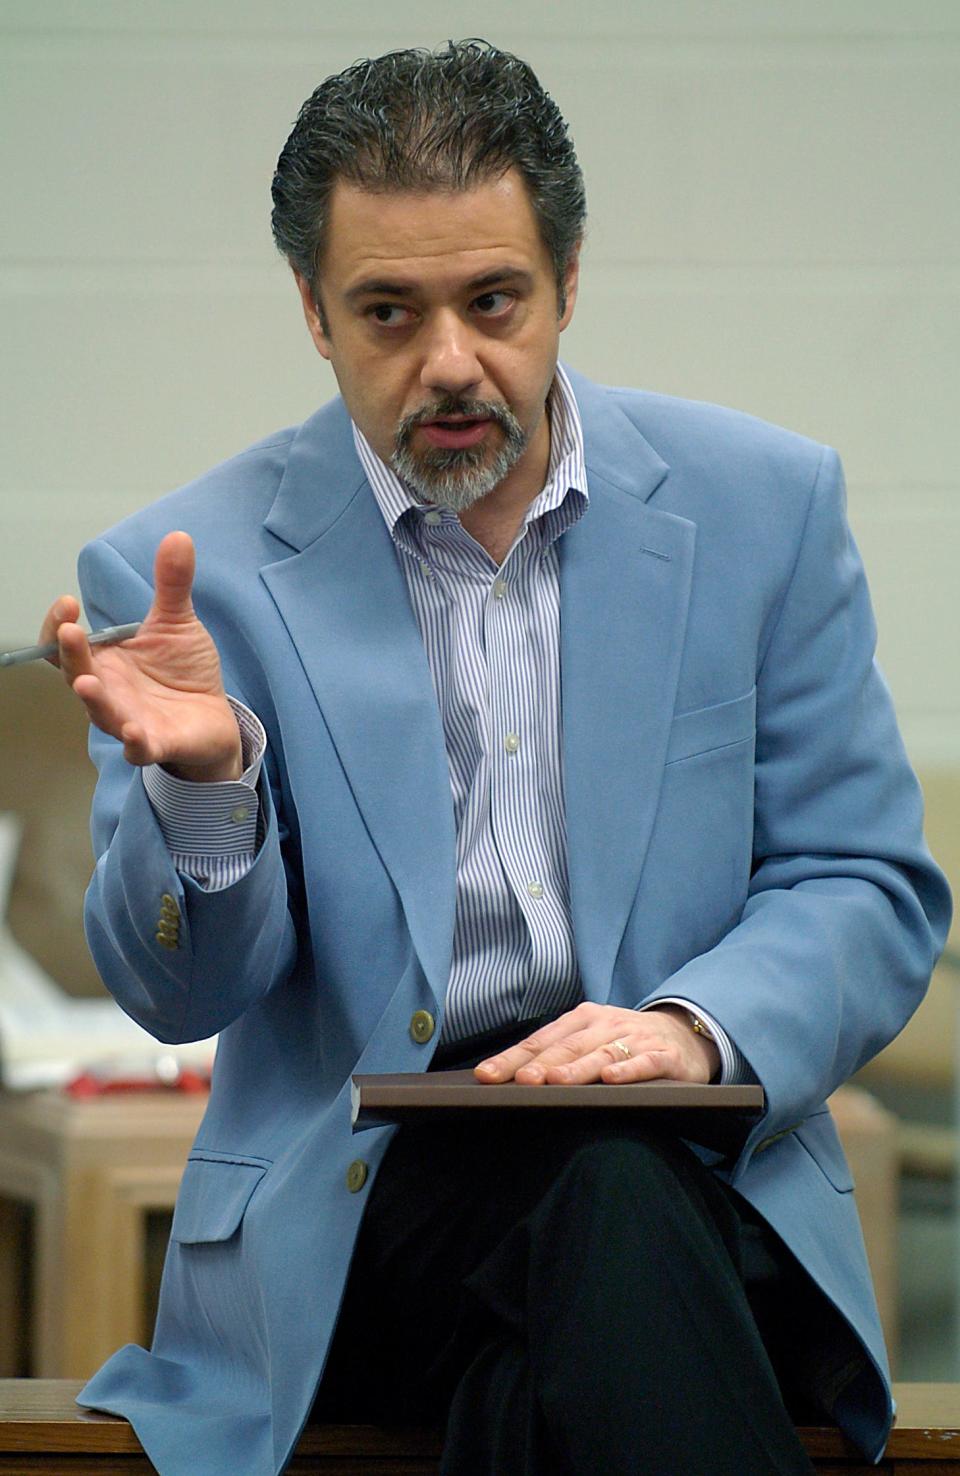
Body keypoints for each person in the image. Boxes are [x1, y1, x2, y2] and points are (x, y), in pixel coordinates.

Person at [42, 39, 949, 1476]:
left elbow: (866, 886)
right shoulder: (191, 575)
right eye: (388, 312)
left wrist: (693, 1030)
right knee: (600, 1223)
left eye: (493, 302)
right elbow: (175, 998)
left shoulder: (763, 509)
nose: (449, 361)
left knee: (599, 1232)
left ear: (568, 283)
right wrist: (206, 793)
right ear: (314, 314)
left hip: (694, 1175)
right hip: (360, 1218)